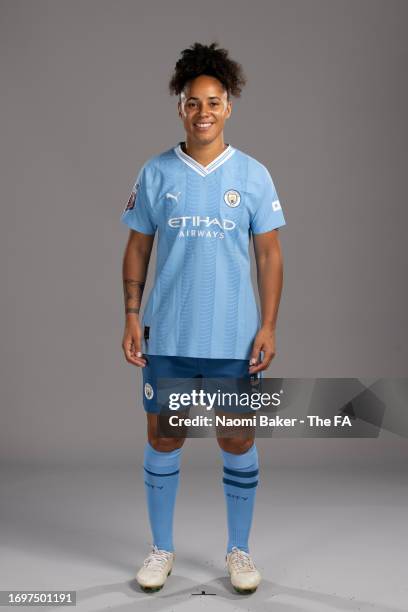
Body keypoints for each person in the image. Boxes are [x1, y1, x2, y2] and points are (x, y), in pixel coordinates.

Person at [120, 41, 286, 594]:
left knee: (237, 441)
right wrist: (129, 316)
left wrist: (267, 326)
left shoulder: (255, 175)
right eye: (194, 103)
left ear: (229, 106)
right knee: (165, 438)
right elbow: (138, 247)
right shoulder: (156, 172)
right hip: (167, 336)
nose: (204, 112)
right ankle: (160, 550)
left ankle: (239, 551)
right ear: (181, 108)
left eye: (214, 102)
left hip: (236, 340)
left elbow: (270, 254)